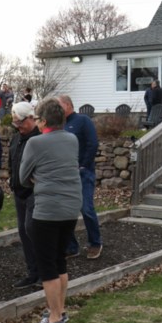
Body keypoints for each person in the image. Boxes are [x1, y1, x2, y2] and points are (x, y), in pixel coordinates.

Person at [20, 97, 83, 323]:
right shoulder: (72, 139)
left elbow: (22, 176)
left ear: (44, 121)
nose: (35, 122)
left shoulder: (35, 143)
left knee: (47, 265)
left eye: (37, 118)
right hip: (70, 207)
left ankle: (55, 319)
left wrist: (39, 177)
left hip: (47, 210)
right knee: (59, 260)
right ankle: (59, 309)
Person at [57, 95, 102, 259]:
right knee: (64, 211)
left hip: (83, 173)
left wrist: (83, 164)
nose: (57, 110)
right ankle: (71, 246)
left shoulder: (83, 120)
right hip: (65, 175)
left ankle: (95, 243)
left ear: (68, 105)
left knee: (86, 208)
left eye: (59, 106)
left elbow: (92, 143)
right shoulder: (60, 125)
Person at [9, 102, 41, 289]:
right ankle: (33, 272)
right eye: (15, 123)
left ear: (31, 118)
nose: (18, 127)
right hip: (19, 192)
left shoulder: (39, 139)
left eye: (21, 122)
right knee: (23, 230)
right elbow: (12, 160)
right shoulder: (16, 138)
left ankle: (43, 272)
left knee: (33, 230)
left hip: (35, 192)